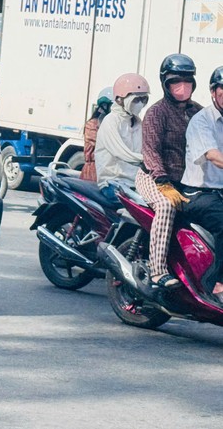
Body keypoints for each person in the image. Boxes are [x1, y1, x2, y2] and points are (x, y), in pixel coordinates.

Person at [136, 54, 202, 289]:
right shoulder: (157, 112)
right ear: (165, 83)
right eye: (176, 82)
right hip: (153, 177)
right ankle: (158, 271)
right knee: (166, 206)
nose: (182, 87)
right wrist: (163, 182)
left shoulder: (197, 111)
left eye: (187, 81)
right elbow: (151, 151)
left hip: (185, 180)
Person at [179, 67, 223, 300]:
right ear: (213, 92)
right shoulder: (202, 121)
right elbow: (213, 156)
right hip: (197, 194)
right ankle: (215, 283)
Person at [95, 75, 149, 203]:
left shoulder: (137, 122)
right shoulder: (111, 121)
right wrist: (147, 161)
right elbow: (122, 153)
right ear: (119, 99)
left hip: (135, 184)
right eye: (136, 100)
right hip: (113, 183)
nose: (140, 104)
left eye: (144, 99)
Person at [80, 87, 113, 182]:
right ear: (104, 106)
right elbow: (104, 143)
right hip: (93, 171)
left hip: (109, 171)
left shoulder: (114, 124)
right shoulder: (92, 125)